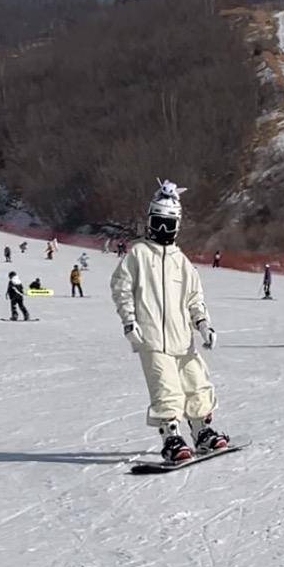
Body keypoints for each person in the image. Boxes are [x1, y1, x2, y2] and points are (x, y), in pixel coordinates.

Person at [111, 179, 228, 463]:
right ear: (150, 222)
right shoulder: (138, 255)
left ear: (176, 226)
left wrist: (202, 324)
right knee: (166, 389)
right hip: (152, 338)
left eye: (168, 224)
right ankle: (172, 437)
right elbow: (121, 288)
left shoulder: (182, 261)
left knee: (197, 383)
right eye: (158, 223)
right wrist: (129, 321)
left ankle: (202, 430)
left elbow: (194, 298)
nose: (162, 229)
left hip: (182, 339)